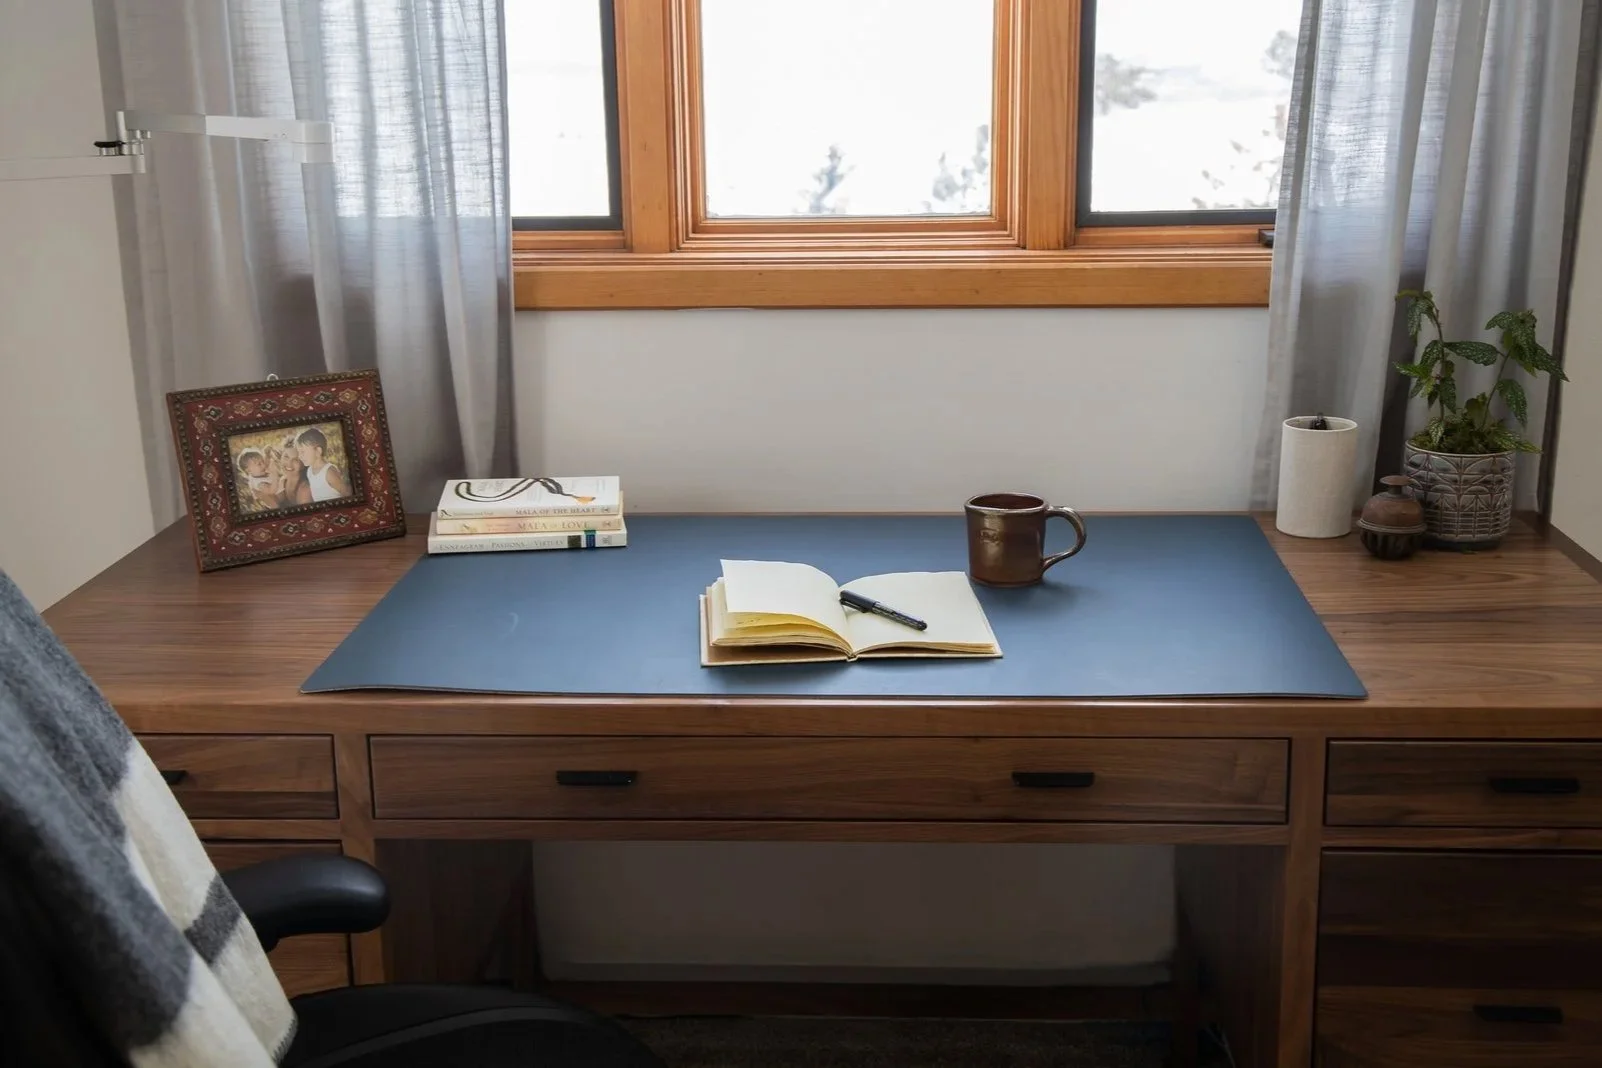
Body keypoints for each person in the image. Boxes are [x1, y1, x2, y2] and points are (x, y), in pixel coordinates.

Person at [296, 426, 349, 502]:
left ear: (318, 451)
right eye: (298, 452)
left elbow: (346, 493)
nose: (299, 456)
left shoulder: (329, 472)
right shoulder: (310, 471)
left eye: (303, 452)